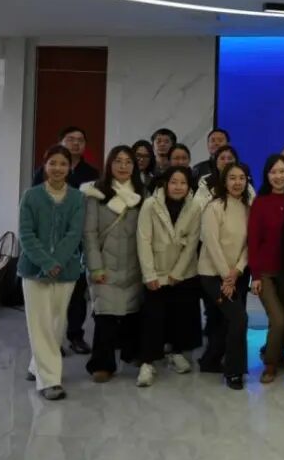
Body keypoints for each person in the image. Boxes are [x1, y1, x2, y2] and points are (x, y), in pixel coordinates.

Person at [18, 145, 86, 400]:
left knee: (57, 323)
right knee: (39, 323)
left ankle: (36, 366)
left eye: (63, 164)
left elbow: (74, 234)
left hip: (66, 270)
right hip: (33, 270)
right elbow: (26, 234)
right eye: (52, 163)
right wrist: (46, 262)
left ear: (70, 168)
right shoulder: (31, 196)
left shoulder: (78, 198)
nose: (58, 168)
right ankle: (50, 380)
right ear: (44, 166)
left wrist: (57, 262)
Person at [33, 125, 99, 356]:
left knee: (76, 293)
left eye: (80, 140)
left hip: (78, 242)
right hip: (48, 242)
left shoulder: (91, 174)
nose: (76, 143)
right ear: (60, 142)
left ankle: (75, 336)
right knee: (49, 294)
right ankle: (52, 339)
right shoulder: (44, 172)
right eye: (71, 139)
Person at [82, 146, 145, 383]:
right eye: (118, 161)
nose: (123, 166)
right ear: (109, 164)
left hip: (134, 264)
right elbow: (89, 234)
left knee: (132, 313)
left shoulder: (142, 194)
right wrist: (95, 267)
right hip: (105, 265)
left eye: (128, 162)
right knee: (105, 316)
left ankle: (131, 353)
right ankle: (102, 364)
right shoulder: (96, 194)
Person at [136, 166, 201, 387]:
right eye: (174, 182)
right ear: (165, 183)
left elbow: (192, 243)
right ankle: (147, 363)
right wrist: (149, 274)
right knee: (152, 318)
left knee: (180, 316)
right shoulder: (150, 205)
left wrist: (178, 273)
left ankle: (176, 353)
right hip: (156, 270)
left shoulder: (195, 207)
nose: (178, 187)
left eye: (183, 183)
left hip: (184, 273)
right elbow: (143, 240)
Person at [197, 163, 250, 390]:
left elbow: (249, 245)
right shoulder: (214, 207)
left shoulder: (248, 208)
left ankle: (210, 361)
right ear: (224, 181)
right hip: (212, 274)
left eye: (241, 178)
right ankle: (234, 371)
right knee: (239, 318)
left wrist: (237, 271)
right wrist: (226, 277)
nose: (237, 182)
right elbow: (211, 244)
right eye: (232, 178)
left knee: (226, 320)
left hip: (235, 274)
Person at [248, 154, 284, 385]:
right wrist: (255, 276)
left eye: (282, 171)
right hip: (265, 272)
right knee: (278, 320)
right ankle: (270, 364)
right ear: (267, 175)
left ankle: (275, 351)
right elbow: (253, 241)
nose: (279, 176)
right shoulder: (260, 202)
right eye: (274, 172)